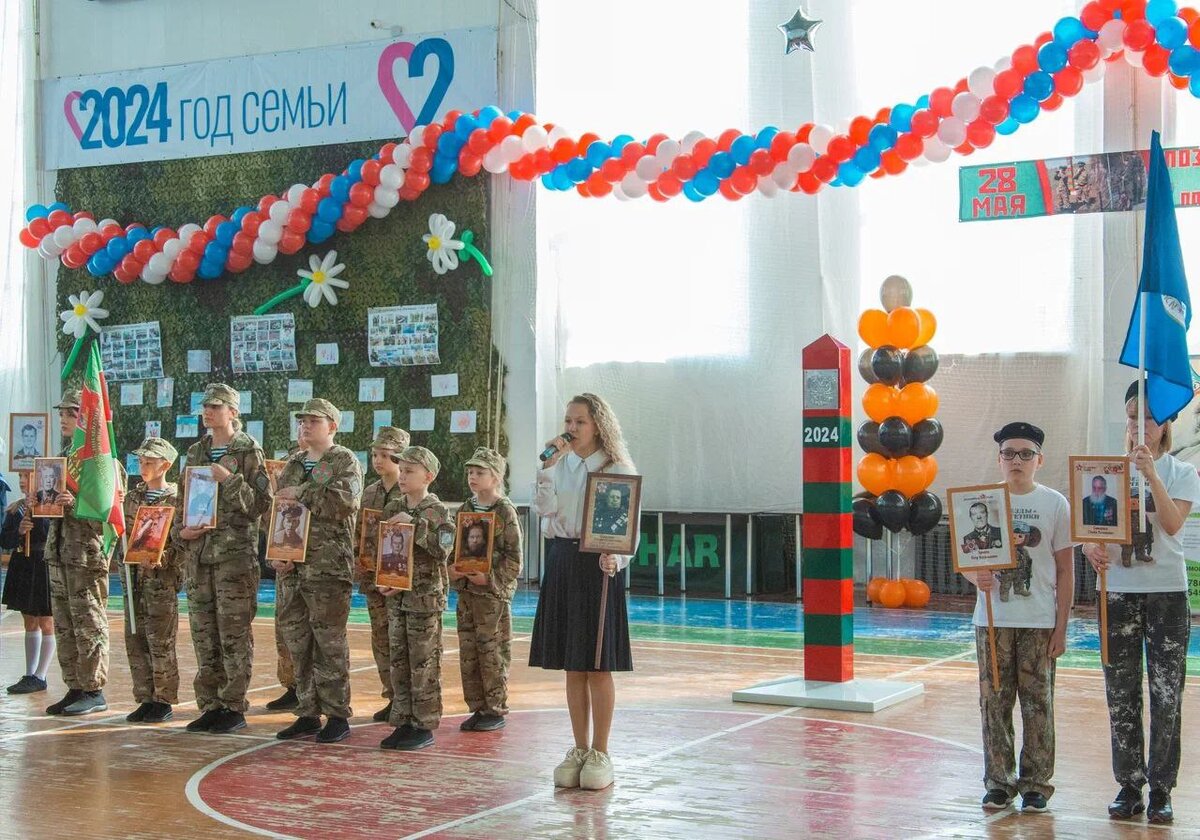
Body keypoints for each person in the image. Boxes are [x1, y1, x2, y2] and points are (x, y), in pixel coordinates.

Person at [1082, 381, 1200, 825]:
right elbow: (1090, 526)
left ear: (1166, 424)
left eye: (1149, 417)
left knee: (1166, 693)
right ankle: (1129, 784)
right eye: (1133, 416)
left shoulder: (1181, 471)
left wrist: (1150, 474)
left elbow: (1171, 525)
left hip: (1166, 593)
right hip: (1117, 590)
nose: (1139, 425)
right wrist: (1088, 547)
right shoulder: (1104, 471)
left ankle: (1162, 788)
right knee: (1121, 691)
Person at [532, 393, 638, 791]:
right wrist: (546, 470)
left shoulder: (617, 468)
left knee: (597, 663)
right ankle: (578, 747)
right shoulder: (559, 464)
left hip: (598, 566)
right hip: (563, 560)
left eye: (580, 422)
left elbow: (628, 527)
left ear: (598, 425)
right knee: (573, 663)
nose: (572, 428)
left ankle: (601, 751)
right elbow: (545, 512)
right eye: (568, 421)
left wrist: (618, 558)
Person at [967, 422, 1074, 814]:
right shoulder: (980, 501)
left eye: (1026, 453)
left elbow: (1066, 570)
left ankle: (1036, 784)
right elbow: (966, 558)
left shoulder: (1055, 504)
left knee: (1038, 704)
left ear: (1039, 460)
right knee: (993, 703)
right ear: (999, 459)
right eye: (1009, 453)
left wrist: (1062, 626)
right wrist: (974, 576)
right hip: (992, 621)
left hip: (1039, 620)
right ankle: (999, 782)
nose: (1017, 460)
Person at [173, 384, 272, 734]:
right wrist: (181, 532)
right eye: (205, 406)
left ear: (233, 411)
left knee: (233, 633)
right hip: (199, 557)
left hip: (234, 558)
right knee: (204, 633)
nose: (208, 411)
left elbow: (261, 504)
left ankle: (233, 706)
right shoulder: (196, 451)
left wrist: (229, 480)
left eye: (216, 406)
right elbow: (182, 499)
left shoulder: (248, 450)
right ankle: (211, 704)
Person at [272, 398, 361, 745]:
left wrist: (303, 492)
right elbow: (281, 510)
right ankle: (307, 711)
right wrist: (278, 552)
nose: (306, 426)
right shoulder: (294, 463)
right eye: (303, 421)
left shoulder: (344, 461)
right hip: (292, 567)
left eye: (314, 421)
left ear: (332, 426)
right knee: (298, 641)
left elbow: (343, 502)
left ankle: (337, 715)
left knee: (329, 643)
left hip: (327, 568)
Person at [44, 390, 127, 716]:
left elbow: (110, 514)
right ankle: (75, 686)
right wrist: (43, 501)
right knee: (65, 624)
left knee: (88, 621)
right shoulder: (62, 458)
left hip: (86, 555)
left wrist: (74, 503)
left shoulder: (103, 464)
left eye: (72, 412)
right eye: (62, 412)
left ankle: (94, 689)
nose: (64, 418)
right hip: (60, 551)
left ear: (87, 418)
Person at [377, 446, 455, 751]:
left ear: (428, 476)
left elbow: (443, 549)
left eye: (410, 471)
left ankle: (423, 725)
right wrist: (386, 579)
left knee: (424, 663)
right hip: (397, 598)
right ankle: (403, 720)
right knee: (398, 661)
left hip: (424, 600)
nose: (402, 476)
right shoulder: (394, 506)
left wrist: (415, 525)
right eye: (402, 470)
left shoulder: (438, 511)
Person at [453, 447, 523, 733]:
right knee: (468, 651)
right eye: (470, 472)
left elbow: (514, 558)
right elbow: (457, 547)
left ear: (495, 477)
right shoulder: (465, 509)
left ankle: (494, 708)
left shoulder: (504, 510)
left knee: (492, 652)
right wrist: (455, 570)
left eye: (479, 472)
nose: (473, 477)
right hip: (467, 592)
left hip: (491, 596)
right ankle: (477, 707)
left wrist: (490, 579)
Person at [120, 438, 184, 724]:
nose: (143, 466)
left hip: (161, 580)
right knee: (135, 639)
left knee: (160, 640)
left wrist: (165, 558)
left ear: (165, 465)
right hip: (133, 577)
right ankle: (145, 697)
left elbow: (182, 542)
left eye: (149, 462)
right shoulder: (131, 498)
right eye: (141, 461)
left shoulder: (176, 499)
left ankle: (163, 700)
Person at [357, 426, 411, 723]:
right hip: (373, 576)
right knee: (381, 638)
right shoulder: (370, 492)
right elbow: (360, 531)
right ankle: (391, 696)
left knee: (402, 641)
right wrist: (359, 559)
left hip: (400, 580)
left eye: (386, 455)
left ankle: (406, 699)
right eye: (375, 454)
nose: (378, 461)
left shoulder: (410, 492)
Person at [1, 471, 54, 694]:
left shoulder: (49, 507)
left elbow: (49, 534)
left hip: (42, 564)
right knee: (29, 620)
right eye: (21, 476)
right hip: (22, 564)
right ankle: (30, 673)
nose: (22, 481)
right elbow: (5, 540)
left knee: (46, 621)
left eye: (27, 476)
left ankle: (41, 674)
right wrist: (19, 531)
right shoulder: (15, 508)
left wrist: (38, 512)